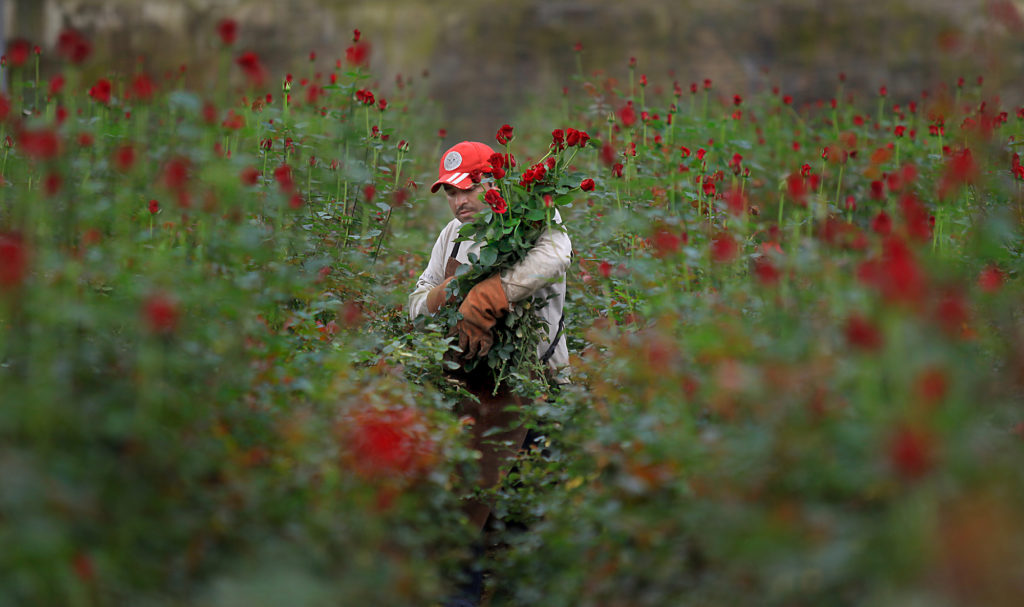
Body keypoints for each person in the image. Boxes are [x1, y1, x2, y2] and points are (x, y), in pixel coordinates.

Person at [407, 140, 571, 604]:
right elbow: (416, 300)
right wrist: (446, 295)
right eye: (450, 192)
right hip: (473, 399)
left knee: (527, 535)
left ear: (494, 180)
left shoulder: (534, 219)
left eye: (469, 188)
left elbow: (557, 255)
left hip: (539, 396)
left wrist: (493, 291)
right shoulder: (450, 237)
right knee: (466, 532)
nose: (460, 201)